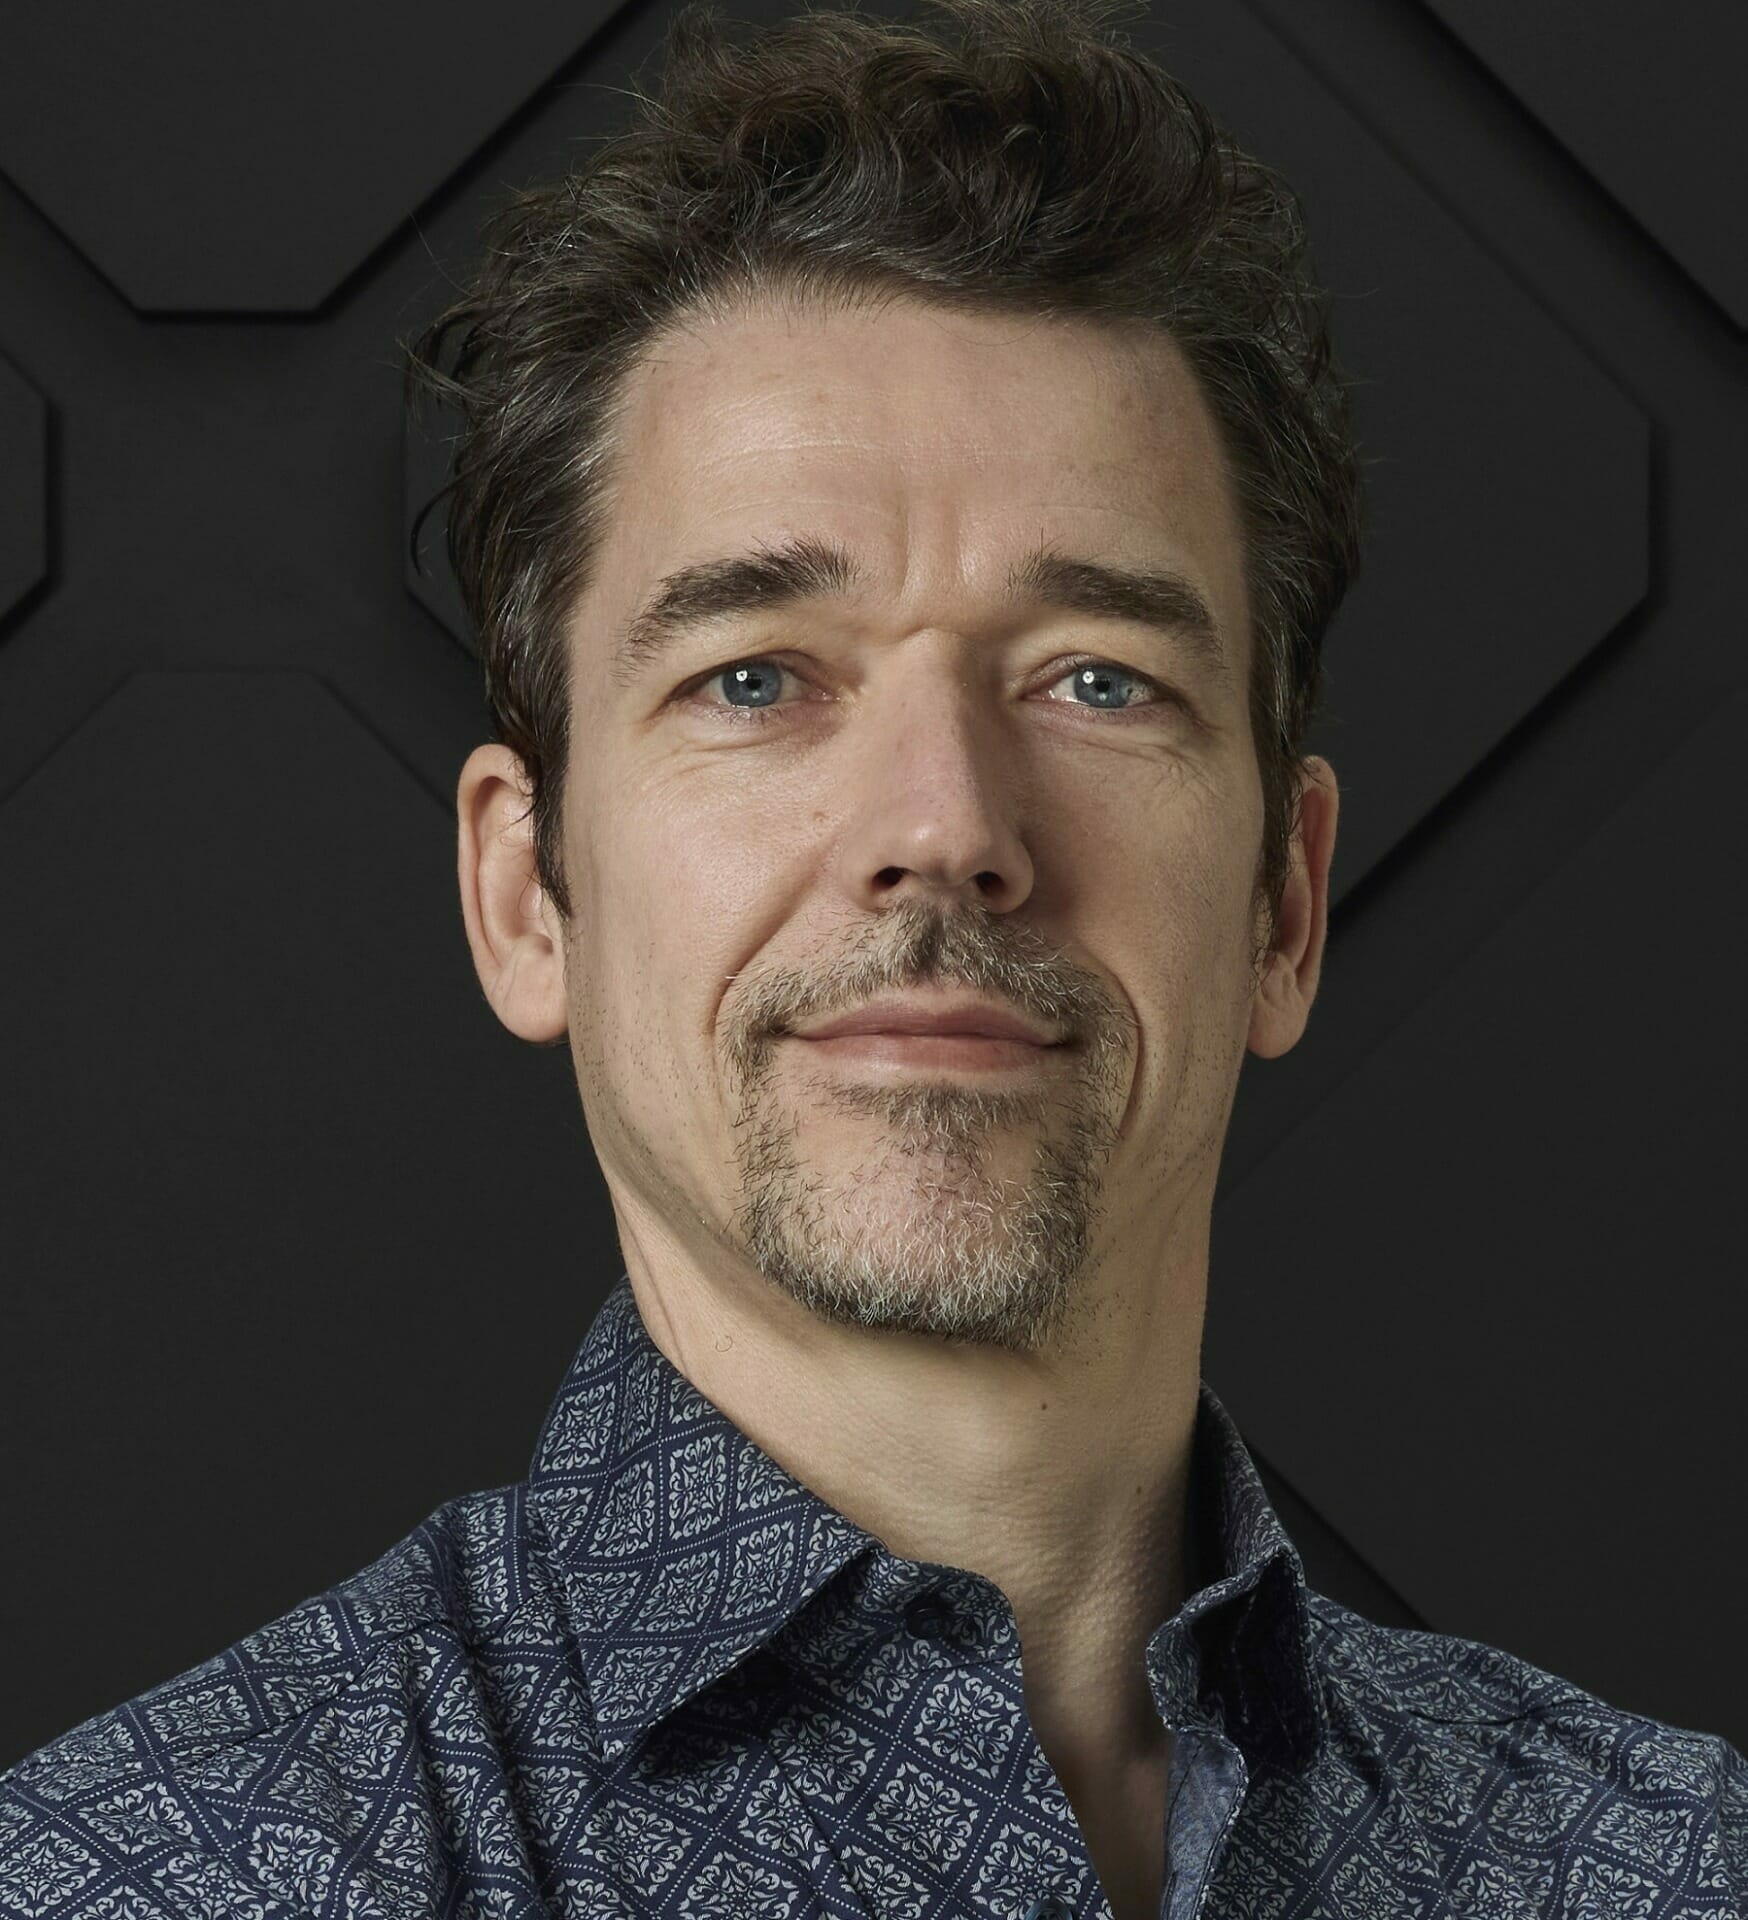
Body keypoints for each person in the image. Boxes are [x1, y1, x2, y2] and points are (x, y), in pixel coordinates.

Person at [4, 0, 1742, 1914]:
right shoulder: (141, 1879)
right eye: (755, 678)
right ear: (526, 894)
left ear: (1283, 908)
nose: (948, 826)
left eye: (1099, 680)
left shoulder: (1666, 1863)